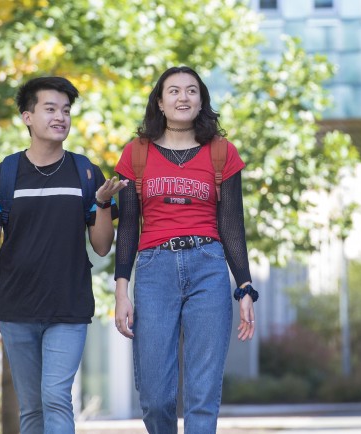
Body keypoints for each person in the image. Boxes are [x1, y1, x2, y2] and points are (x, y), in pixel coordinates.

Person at [0, 76, 128, 434]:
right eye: (50, 109)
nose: (60, 117)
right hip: (17, 308)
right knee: (30, 409)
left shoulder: (85, 171)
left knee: (56, 397)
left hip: (69, 306)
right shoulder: (4, 174)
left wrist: (103, 203)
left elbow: (103, 245)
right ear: (28, 117)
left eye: (66, 110)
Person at [112, 66, 256, 434]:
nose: (183, 97)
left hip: (208, 265)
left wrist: (244, 286)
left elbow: (232, 226)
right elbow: (128, 226)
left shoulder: (222, 152)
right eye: (173, 91)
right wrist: (121, 291)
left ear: (201, 100)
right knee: (156, 396)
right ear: (159, 102)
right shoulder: (136, 154)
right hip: (154, 269)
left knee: (202, 393)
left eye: (192, 91)